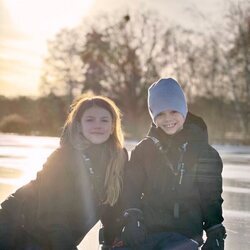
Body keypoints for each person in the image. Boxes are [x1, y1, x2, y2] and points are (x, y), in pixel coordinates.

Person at [0, 95, 127, 250]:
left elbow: (112, 205)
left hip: (49, 236)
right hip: (17, 228)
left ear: (113, 125)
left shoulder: (117, 158)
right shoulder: (63, 157)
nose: (97, 125)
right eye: (90, 120)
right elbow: (51, 215)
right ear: (79, 125)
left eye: (104, 120)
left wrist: (111, 241)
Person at [117, 78, 226, 250]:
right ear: (153, 117)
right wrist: (133, 216)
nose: (168, 119)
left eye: (174, 111)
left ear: (184, 110)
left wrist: (215, 231)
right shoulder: (144, 149)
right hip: (147, 232)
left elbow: (210, 197)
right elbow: (132, 187)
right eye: (160, 114)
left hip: (185, 236)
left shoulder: (205, 153)